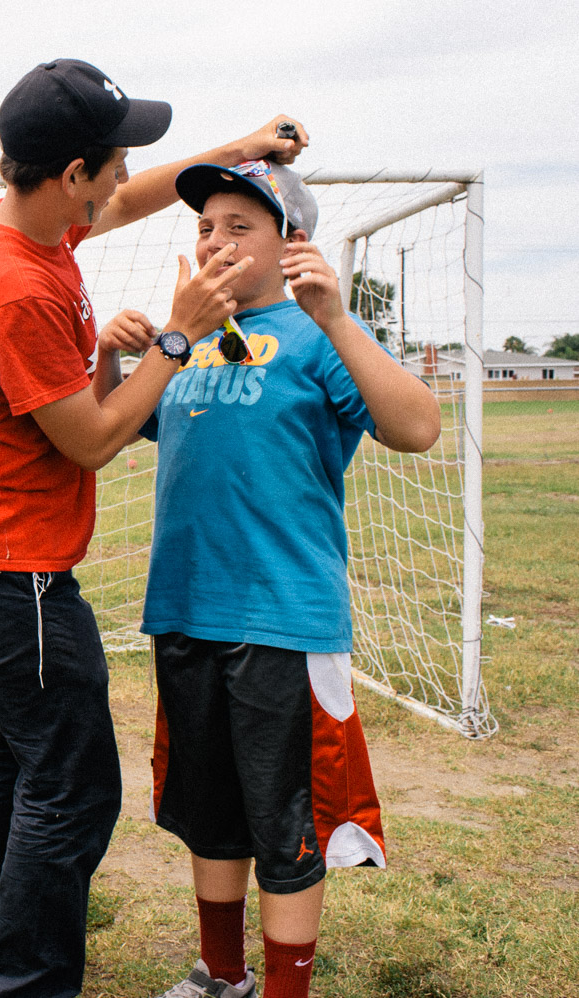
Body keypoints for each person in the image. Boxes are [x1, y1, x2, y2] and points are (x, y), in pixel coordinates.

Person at [0, 57, 307, 998]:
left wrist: (239, 150)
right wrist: (176, 338)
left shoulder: (12, 225)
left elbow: (130, 205)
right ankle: (29, 982)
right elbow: (89, 441)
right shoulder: (21, 285)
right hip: (7, 569)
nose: (128, 175)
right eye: (117, 158)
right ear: (72, 171)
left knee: (26, 747)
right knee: (75, 786)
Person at [140, 161, 440, 998]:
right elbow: (127, 427)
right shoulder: (191, 337)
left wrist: (336, 315)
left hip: (282, 620)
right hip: (185, 609)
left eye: (241, 225)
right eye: (206, 226)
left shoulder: (316, 336)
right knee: (211, 812)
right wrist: (112, 352)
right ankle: (220, 973)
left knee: (287, 823)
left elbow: (417, 427)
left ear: (292, 242)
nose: (216, 239)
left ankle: (284, 988)